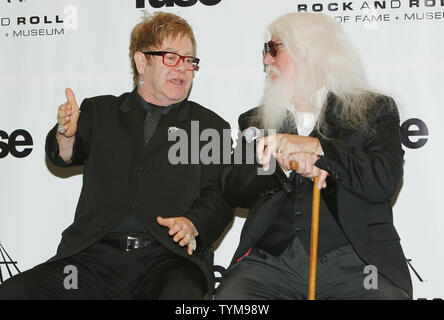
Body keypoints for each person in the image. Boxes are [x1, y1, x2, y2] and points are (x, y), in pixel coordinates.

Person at [0, 12, 233, 300]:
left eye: (189, 60)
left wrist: (193, 224)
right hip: (89, 262)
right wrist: (66, 133)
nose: (183, 69)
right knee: (13, 293)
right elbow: (64, 155)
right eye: (171, 57)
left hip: (167, 261)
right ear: (140, 61)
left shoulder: (211, 126)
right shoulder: (100, 112)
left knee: (181, 293)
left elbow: (220, 196)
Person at [215, 12, 412, 300]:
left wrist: (317, 148)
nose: (266, 59)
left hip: (357, 263)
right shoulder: (257, 121)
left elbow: (383, 179)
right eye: (265, 51)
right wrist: (279, 163)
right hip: (270, 265)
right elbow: (233, 187)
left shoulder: (372, 109)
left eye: (273, 48)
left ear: (308, 51)